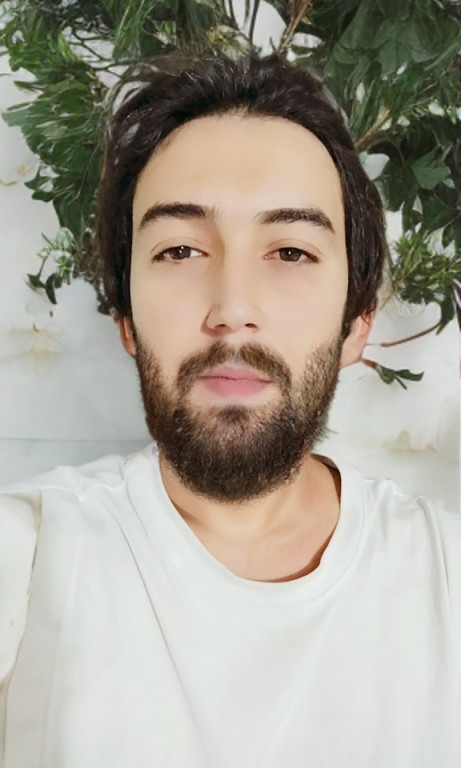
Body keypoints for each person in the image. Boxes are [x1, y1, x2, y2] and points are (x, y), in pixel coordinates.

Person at [0, 54, 459, 768]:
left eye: (291, 252)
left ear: (356, 325)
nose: (233, 308)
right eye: (181, 249)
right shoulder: (30, 553)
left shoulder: (446, 577)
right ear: (126, 319)